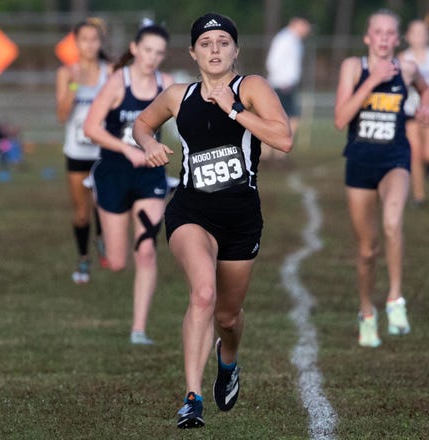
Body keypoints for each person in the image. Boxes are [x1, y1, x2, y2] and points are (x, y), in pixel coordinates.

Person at [133, 12, 292, 428]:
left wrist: (235, 110)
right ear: (193, 52)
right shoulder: (176, 96)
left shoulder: (251, 87)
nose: (215, 49)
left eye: (223, 42)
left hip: (241, 218)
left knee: (227, 315)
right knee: (202, 294)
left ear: (236, 50)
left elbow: (283, 138)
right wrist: (148, 143)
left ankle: (229, 359)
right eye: (206, 43)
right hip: (191, 211)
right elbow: (141, 123)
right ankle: (192, 397)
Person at [334, 9, 429, 348]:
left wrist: (424, 110)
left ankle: (395, 299)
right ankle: (366, 312)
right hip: (360, 163)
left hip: (395, 159)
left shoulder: (408, 69)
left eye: (391, 33)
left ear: (398, 38)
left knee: (393, 223)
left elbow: (426, 89)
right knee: (366, 250)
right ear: (368, 37)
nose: (385, 38)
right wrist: (373, 80)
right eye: (379, 32)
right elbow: (341, 118)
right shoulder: (353, 67)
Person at [83, 23, 174, 344]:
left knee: (147, 251)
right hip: (114, 173)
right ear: (135, 49)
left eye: (159, 53)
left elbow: (190, 120)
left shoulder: (167, 85)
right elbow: (90, 127)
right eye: (147, 50)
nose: (152, 58)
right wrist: (127, 150)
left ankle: (139, 329)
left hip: (150, 175)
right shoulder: (116, 83)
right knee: (118, 263)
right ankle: (102, 226)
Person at [56, 18, 111, 284]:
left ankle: (103, 238)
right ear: (76, 43)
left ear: (100, 42)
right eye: (84, 39)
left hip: (104, 150)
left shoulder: (110, 71)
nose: (89, 45)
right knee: (81, 212)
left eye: (94, 39)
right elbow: (62, 114)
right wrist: (75, 85)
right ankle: (83, 258)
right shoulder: (67, 72)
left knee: (104, 203)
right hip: (77, 151)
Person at [398, 19, 429, 205]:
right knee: (414, 153)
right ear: (408, 36)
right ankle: (419, 194)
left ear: (427, 36)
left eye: (422, 33)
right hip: (410, 111)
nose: (419, 37)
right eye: (415, 33)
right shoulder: (402, 58)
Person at [262, 16, 311, 162]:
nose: (307, 30)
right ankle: (275, 152)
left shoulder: (295, 41)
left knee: (282, 118)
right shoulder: (285, 39)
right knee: (286, 118)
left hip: (286, 85)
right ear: (298, 23)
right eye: (306, 26)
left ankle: (273, 153)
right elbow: (273, 61)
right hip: (282, 85)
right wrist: (281, 81)